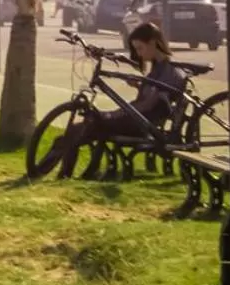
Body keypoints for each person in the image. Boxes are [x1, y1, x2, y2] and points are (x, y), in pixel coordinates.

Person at [38, 22, 185, 178]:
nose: (139, 54)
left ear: (153, 43)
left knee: (86, 126)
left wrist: (117, 113)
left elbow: (153, 105)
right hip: (134, 117)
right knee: (79, 128)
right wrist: (138, 88)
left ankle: (59, 173)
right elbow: (151, 99)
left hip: (139, 123)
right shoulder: (158, 68)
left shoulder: (170, 71)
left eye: (140, 48)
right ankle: (59, 173)